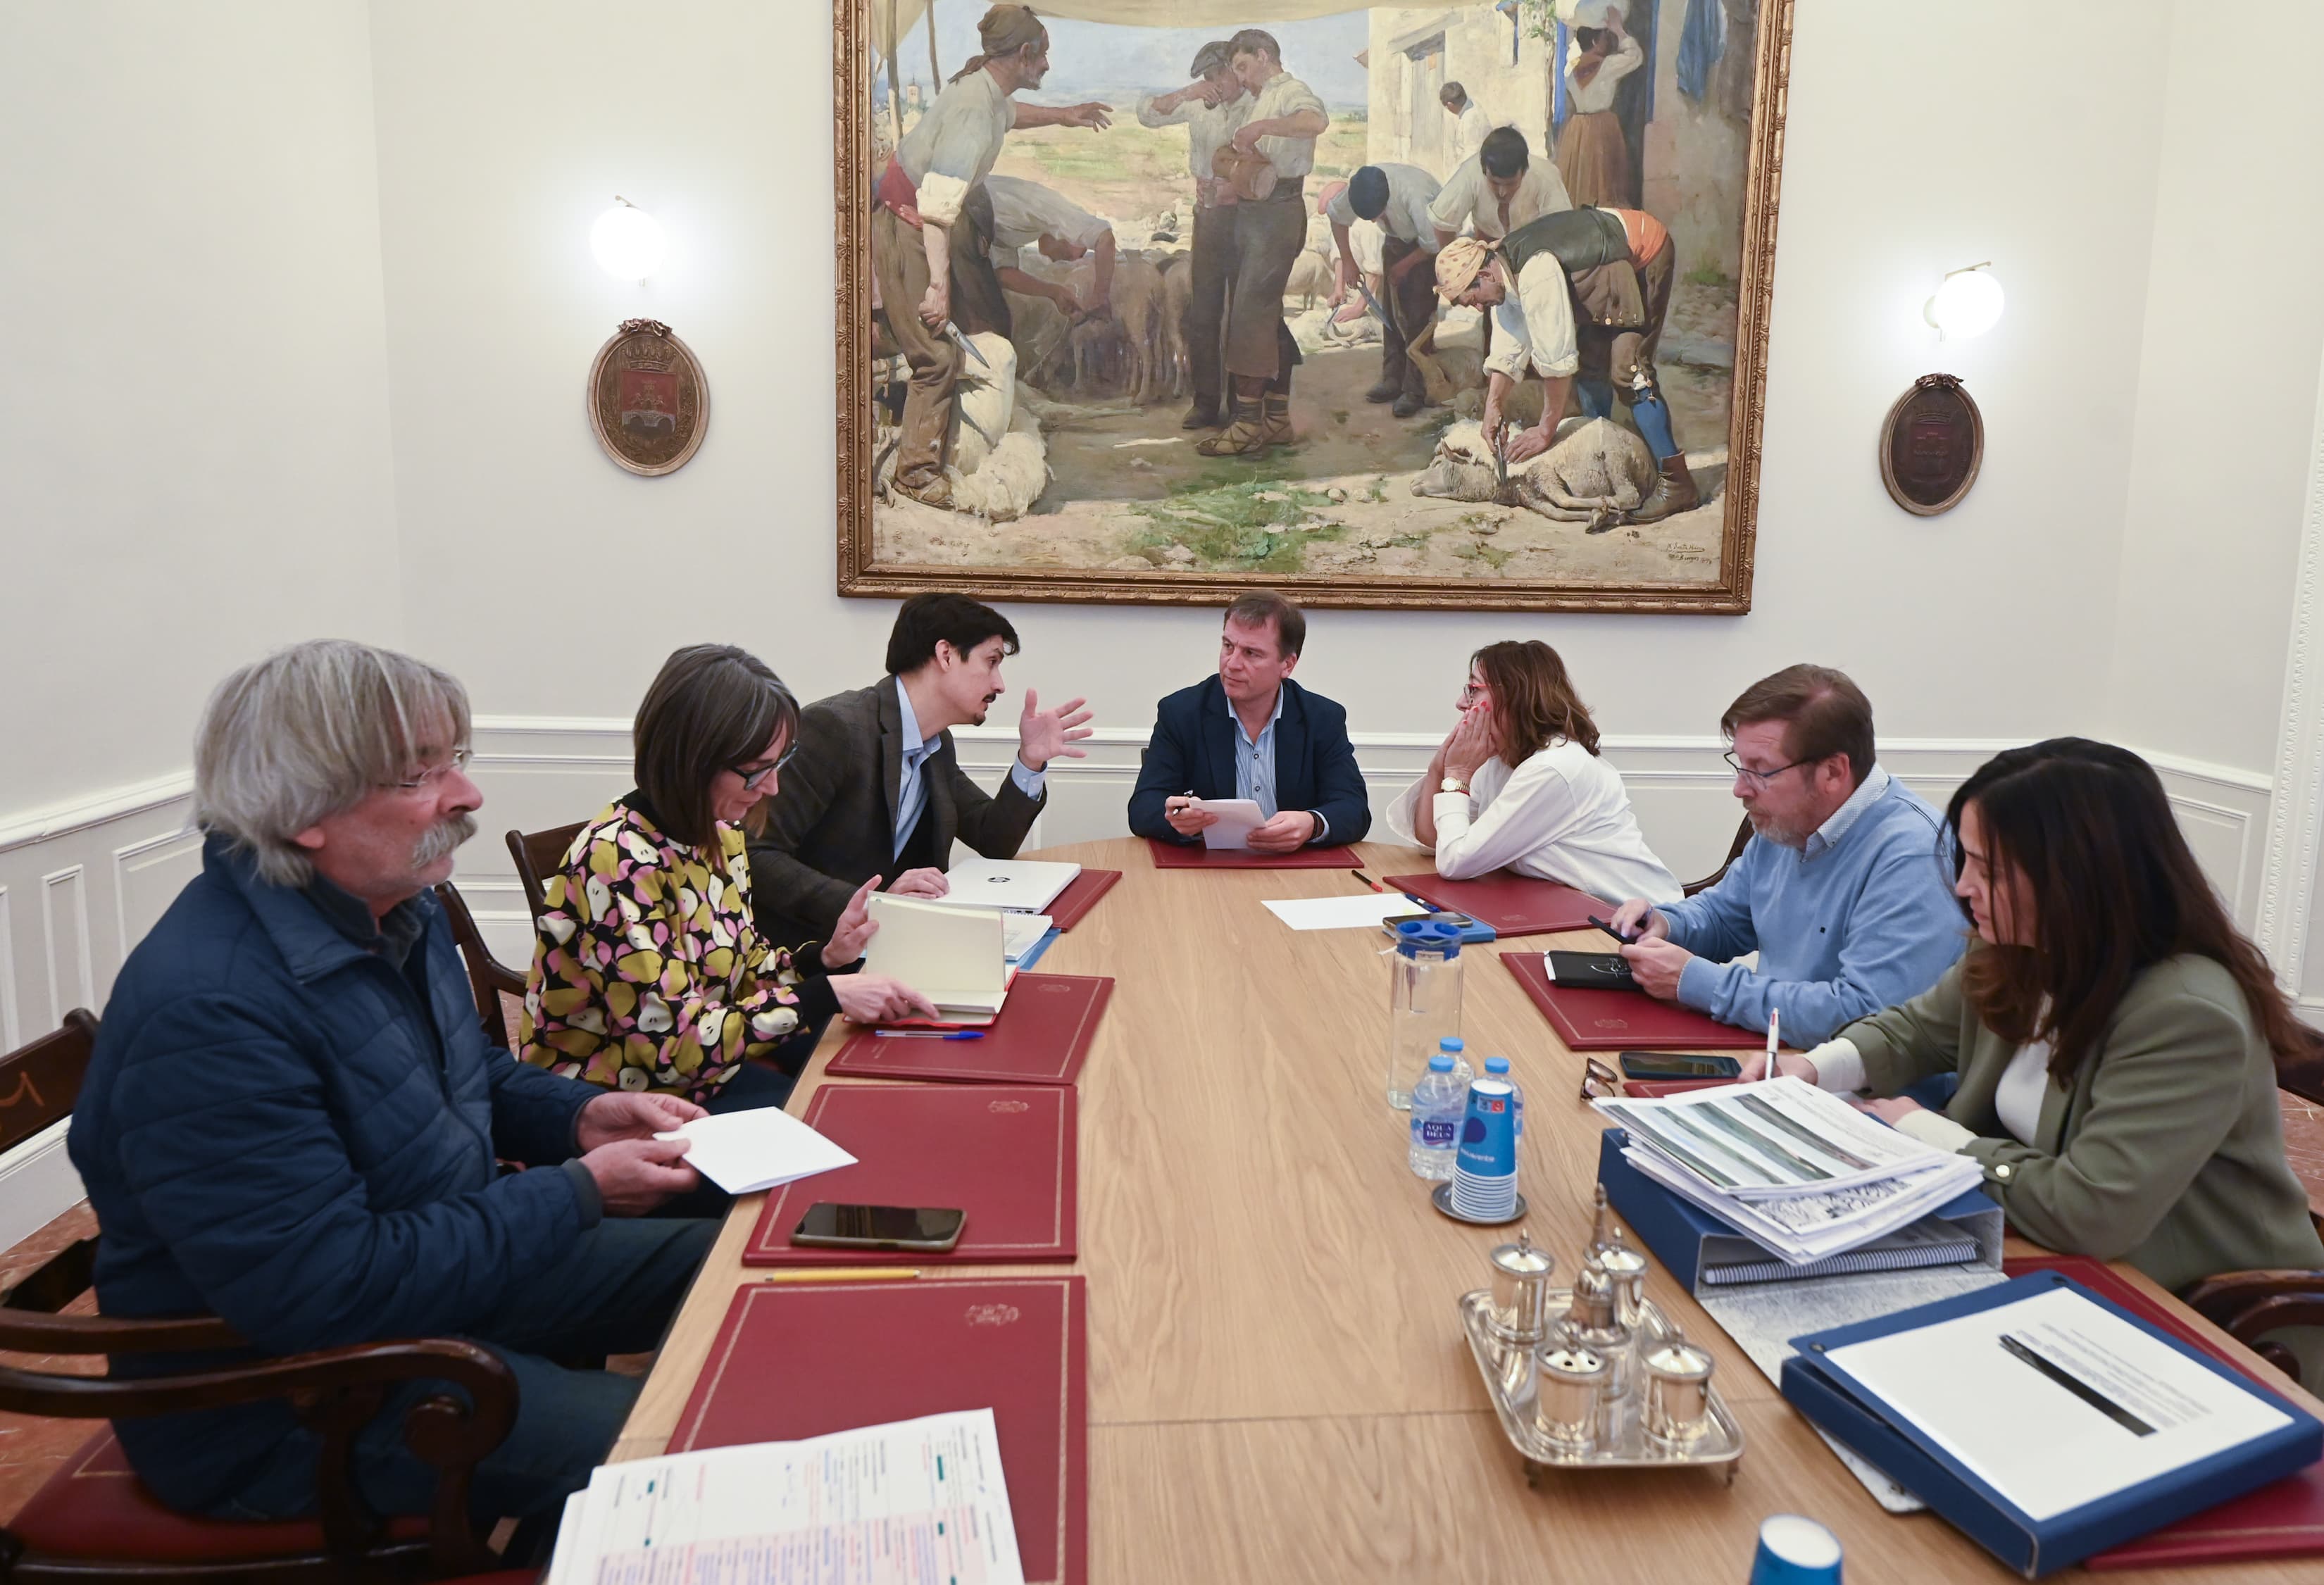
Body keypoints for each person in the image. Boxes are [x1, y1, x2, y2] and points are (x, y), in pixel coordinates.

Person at [68, 640, 716, 1546]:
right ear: (304, 814)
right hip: (293, 1402)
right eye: (421, 774)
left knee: (731, 1269)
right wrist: (576, 1188)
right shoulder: (213, 1011)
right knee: (699, 1451)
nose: (466, 794)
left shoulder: (384, 906)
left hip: (430, 1281)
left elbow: (457, 1071)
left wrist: (577, 1114)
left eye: (457, 760)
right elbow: (326, 1290)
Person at [1741, 740, 2324, 1384]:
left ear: (2075, 877)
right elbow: (1918, 1031)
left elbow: (2088, 1210)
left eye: (1988, 869)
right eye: (1967, 861)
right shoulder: (2022, 947)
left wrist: (1922, 1133)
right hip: (2045, 1255)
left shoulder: (2186, 1012)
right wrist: (1815, 1069)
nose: (1963, 887)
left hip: (2207, 1324)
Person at [520, 645, 937, 1118]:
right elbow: (676, 1049)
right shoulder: (616, 861)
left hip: (704, 1071)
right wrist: (826, 993)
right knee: (841, 1119)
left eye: (777, 764)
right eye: (757, 770)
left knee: (875, 1092)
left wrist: (825, 958)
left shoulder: (719, 833)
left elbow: (743, 969)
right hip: (610, 1102)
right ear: (692, 760)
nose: (772, 787)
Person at [1605, 665, 1963, 1046]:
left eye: (1760, 771)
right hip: (1776, 1054)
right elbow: (1725, 917)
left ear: (1832, 772)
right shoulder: (1788, 823)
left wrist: (1695, 982)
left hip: (1866, 1094)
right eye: (1739, 764)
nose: (1740, 789)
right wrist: (1665, 923)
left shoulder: (1916, 855)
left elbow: (1863, 1017)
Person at [749, 594, 1093, 948]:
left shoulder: (936, 743)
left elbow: (994, 840)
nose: (1000, 684)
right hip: (808, 953)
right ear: (945, 655)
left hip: (893, 945)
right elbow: (758, 856)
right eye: (991, 662)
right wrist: (873, 905)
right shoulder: (835, 728)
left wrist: (1030, 761)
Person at [870, 5, 1110, 507]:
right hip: (910, 225)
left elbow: (1015, 114)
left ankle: (934, 446)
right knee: (935, 354)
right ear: (1023, 55)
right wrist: (938, 286)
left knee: (941, 341)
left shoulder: (987, 88)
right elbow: (935, 213)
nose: (1047, 66)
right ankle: (915, 474)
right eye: (1042, 55)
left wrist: (1064, 116)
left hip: (918, 220)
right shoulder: (973, 113)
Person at [1435, 204, 1700, 522]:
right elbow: (1510, 344)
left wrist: (1545, 431)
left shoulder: (1535, 270)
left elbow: (1555, 361)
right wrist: (1493, 407)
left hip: (1642, 253)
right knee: (1589, 369)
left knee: (1630, 373)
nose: (1478, 308)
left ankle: (1678, 484)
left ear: (1483, 275)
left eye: (1473, 299)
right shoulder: (1503, 272)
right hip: (1604, 271)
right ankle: (1596, 461)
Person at [1387, 640, 1679, 902]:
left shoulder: (1554, 768)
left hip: (1638, 925)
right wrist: (1439, 768)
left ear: (1515, 696)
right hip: (1569, 910)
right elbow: (1436, 842)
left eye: (1473, 690)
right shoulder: (1503, 759)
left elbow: (1454, 864)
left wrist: (1459, 773)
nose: (1462, 703)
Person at [1126, 590, 1371, 852]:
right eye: (1228, 646)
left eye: (1251, 653)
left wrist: (1311, 824)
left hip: (1294, 871)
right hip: (1209, 870)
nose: (1232, 664)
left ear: (1287, 665)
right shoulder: (1181, 713)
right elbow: (1144, 807)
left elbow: (1353, 808)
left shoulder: (1322, 718)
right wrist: (1180, 820)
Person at [1197, 28, 1328, 458]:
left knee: (1251, 314)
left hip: (1279, 211)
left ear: (1264, 55)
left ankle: (1248, 423)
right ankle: (1275, 419)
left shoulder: (1291, 90)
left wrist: (1261, 127)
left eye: (1242, 66)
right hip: (1256, 213)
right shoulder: (1258, 98)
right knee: (1263, 316)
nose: (1241, 76)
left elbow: (1316, 122)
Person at [1136, 40, 1250, 430]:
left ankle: (1242, 405)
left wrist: (1233, 189)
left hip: (1247, 218)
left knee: (1242, 313)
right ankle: (1205, 402)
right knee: (1203, 311)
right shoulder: (1199, 105)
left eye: (1218, 75)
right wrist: (1187, 93)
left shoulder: (1255, 107)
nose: (1214, 84)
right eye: (1207, 78)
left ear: (1236, 71)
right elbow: (1146, 114)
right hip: (1208, 218)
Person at [1324, 163, 1442, 418]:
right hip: (1395, 241)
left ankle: (1414, 390)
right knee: (1391, 314)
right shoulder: (1359, 189)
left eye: (1377, 214)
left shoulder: (1415, 195)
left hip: (1428, 248)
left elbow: (1435, 243)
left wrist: (1406, 265)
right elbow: (1336, 217)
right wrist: (1348, 261)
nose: (1374, 221)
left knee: (1418, 319)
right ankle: (1392, 379)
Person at [984, 173, 1116, 322]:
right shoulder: (1050, 209)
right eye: (1080, 253)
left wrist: (1053, 292)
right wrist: (1100, 297)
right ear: (1070, 233)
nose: (1072, 260)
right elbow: (1105, 237)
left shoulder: (1029, 227)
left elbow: (1003, 273)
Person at [1428, 127, 1573, 247]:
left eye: (1511, 184)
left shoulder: (1545, 175)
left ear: (1524, 172)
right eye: (1495, 183)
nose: (1502, 192)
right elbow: (1443, 222)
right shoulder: (1470, 173)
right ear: (1484, 171)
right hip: (1485, 246)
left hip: (1533, 247)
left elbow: (1561, 227)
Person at [1558, 11, 1644, 207]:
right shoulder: (1607, 66)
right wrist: (1620, 31)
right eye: (1606, 37)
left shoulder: (1570, 70)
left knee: (1581, 183)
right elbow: (1636, 56)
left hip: (1578, 130)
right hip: (1601, 129)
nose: (1609, 41)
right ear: (1596, 41)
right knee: (1603, 183)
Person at [1438, 80, 1494, 171]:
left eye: (1446, 107)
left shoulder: (1470, 121)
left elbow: (1471, 156)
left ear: (1450, 105)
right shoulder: (1472, 105)